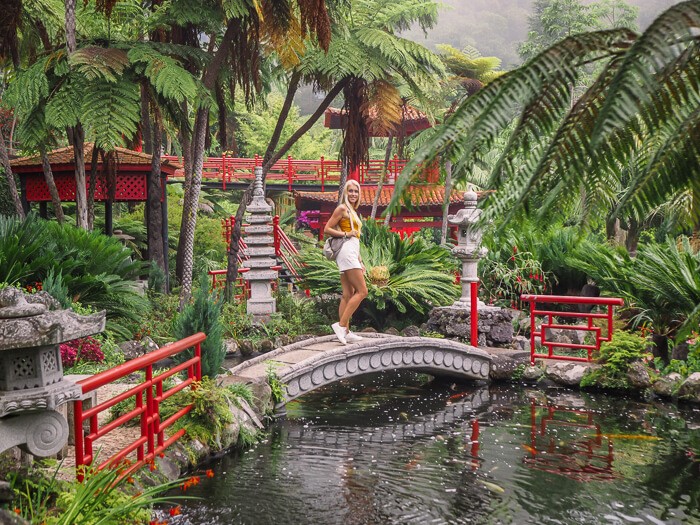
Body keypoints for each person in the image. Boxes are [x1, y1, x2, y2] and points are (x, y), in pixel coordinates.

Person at [324, 179, 368, 344]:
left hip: (351, 252)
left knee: (348, 294)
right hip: (346, 252)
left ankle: (347, 332)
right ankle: (341, 325)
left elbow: (355, 239)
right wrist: (344, 234)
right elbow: (327, 228)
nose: (353, 194)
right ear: (345, 193)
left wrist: (360, 259)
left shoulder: (353, 211)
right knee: (363, 291)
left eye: (356, 192)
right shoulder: (342, 209)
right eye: (350, 191)